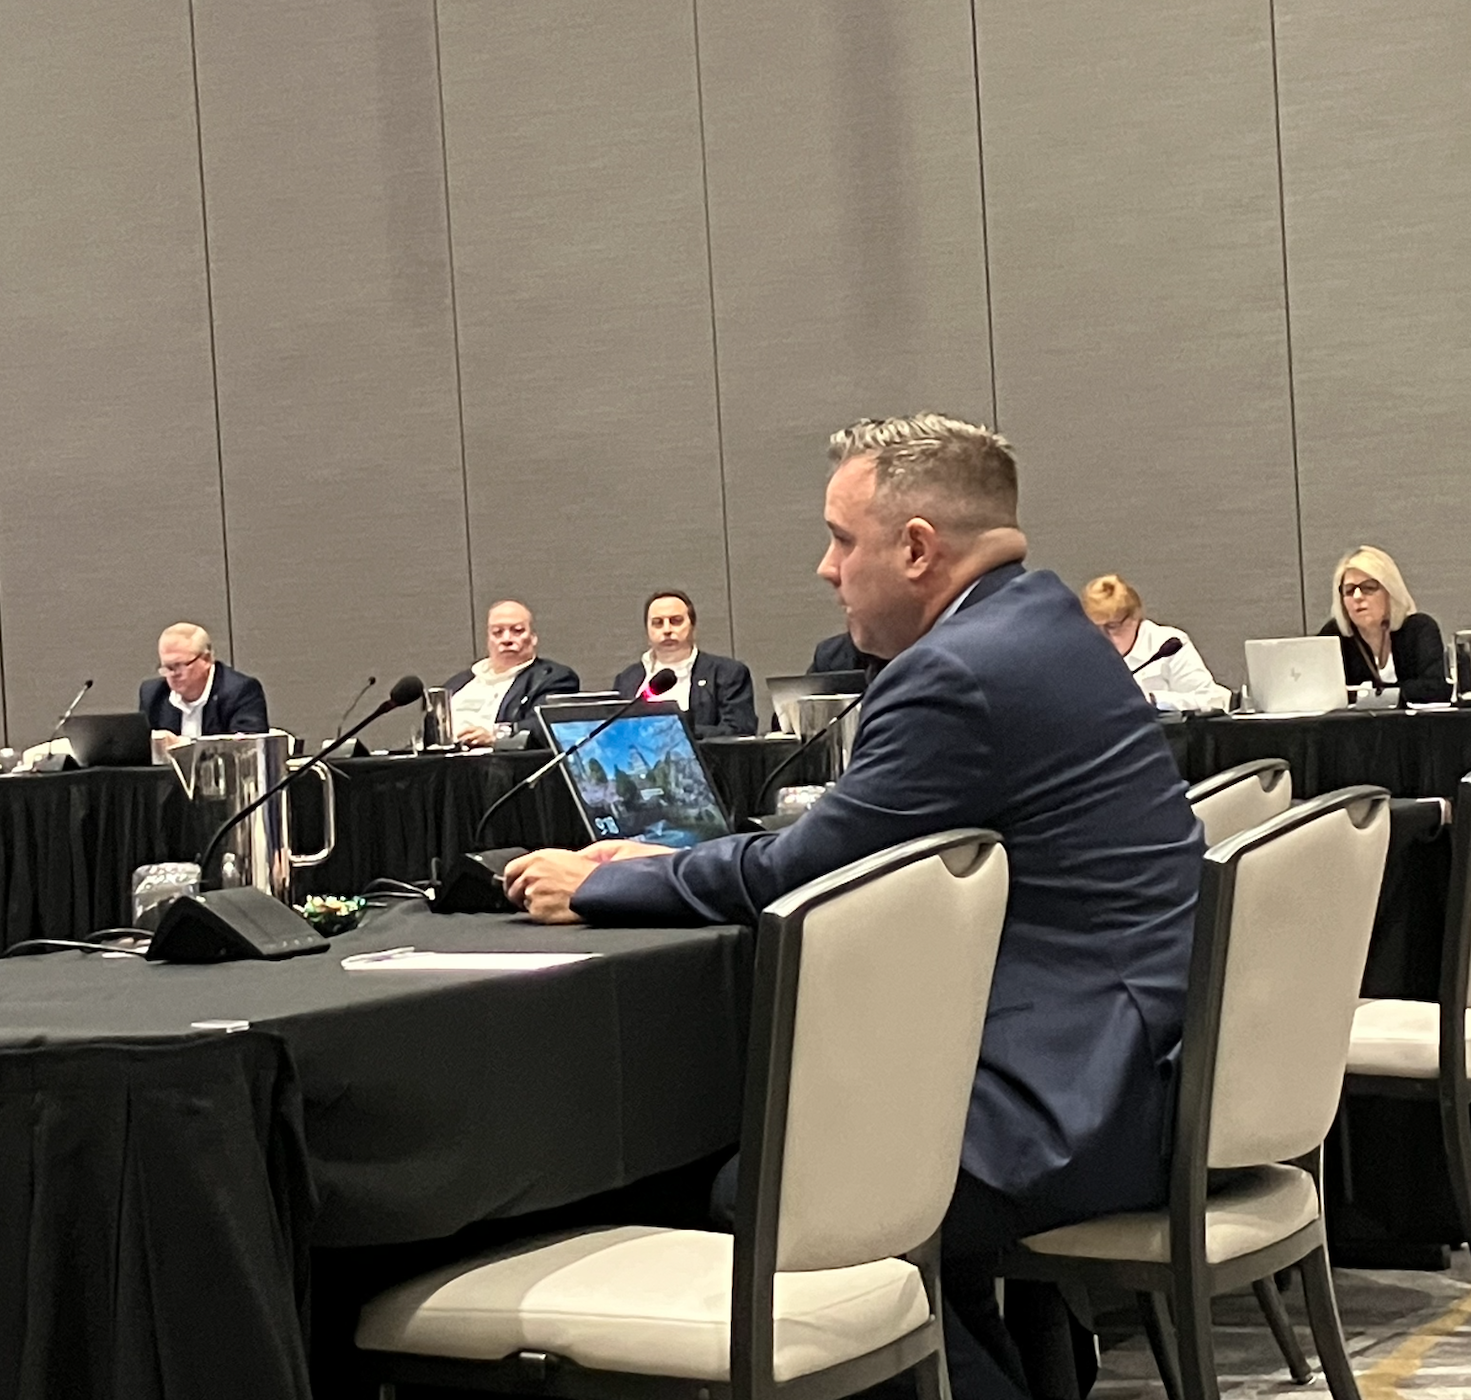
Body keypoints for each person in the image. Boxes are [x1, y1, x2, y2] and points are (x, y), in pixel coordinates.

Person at [505, 413, 1201, 1400]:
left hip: (1079, 1099)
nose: (825, 569)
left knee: (761, 1199)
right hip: (1139, 1059)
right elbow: (833, 850)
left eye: (840, 539)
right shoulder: (1040, 623)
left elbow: (806, 875)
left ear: (916, 549)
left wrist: (608, 879)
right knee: (833, 1173)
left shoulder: (953, 671)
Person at [612, 590, 758, 738]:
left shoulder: (727, 673)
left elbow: (739, 730)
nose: (667, 630)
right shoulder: (627, 679)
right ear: (647, 632)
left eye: (676, 621)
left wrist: (678, 730)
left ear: (693, 627)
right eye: (658, 623)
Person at [1317, 545, 1450, 703]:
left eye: (1368, 588)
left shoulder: (1419, 629)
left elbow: (1435, 688)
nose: (1357, 597)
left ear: (1390, 592)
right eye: (1349, 590)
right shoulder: (1333, 636)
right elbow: (1317, 693)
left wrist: (1366, 695)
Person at [1080, 574, 1230, 712]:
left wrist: (1153, 700)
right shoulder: (1082, 650)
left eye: (1112, 627)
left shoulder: (1168, 645)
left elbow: (1210, 700)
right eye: (1095, 628)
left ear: (1134, 617)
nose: (1104, 636)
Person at [444, 600, 580, 746]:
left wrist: (495, 737)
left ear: (533, 638)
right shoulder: (456, 685)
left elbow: (545, 727)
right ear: (488, 639)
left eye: (517, 631)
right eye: (497, 632)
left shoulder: (553, 678)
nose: (506, 639)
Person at [138, 623, 268, 742]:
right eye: (167, 667)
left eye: (179, 666)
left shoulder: (240, 691)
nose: (172, 674)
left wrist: (179, 746)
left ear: (206, 659)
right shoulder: (153, 695)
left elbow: (247, 751)